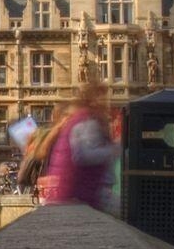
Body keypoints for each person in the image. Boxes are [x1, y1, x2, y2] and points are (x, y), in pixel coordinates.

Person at [30, 79, 120, 208]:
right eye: (103, 98)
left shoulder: (81, 119)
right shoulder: (85, 121)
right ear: (94, 100)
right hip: (78, 194)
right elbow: (83, 156)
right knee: (126, 211)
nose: (106, 103)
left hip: (72, 192)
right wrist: (115, 149)